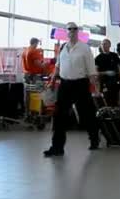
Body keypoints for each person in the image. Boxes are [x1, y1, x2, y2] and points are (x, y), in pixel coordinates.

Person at [43, 22, 100, 157]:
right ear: (66, 31)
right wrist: (51, 81)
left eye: (75, 29)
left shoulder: (85, 48)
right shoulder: (63, 47)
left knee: (87, 114)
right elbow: (57, 66)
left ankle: (94, 138)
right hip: (65, 85)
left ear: (78, 32)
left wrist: (96, 88)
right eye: (70, 29)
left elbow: (91, 70)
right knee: (59, 116)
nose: (72, 31)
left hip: (80, 84)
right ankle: (57, 147)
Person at [95, 39, 120, 107]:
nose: (103, 45)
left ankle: (115, 115)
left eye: (105, 44)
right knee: (106, 102)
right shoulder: (98, 58)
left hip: (114, 83)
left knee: (115, 102)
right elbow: (96, 73)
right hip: (104, 84)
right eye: (102, 44)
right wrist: (105, 73)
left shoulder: (114, 56)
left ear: (109, 45)